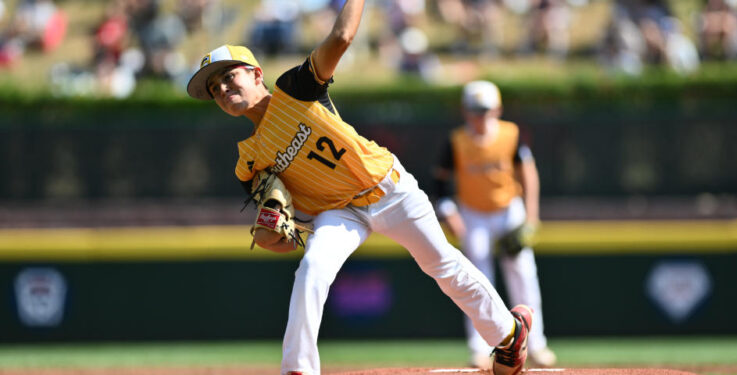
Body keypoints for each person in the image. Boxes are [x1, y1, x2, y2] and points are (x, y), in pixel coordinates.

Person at [184, 2, 532, 375]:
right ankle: (297, 369)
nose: (221, 88)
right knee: (312, 268)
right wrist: (273, 234)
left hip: (388, 188)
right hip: (339, 213)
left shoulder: (294, 90)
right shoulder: (248, 161)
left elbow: (343, 36)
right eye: (214, 88)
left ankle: (510, 334)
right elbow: (281, 239)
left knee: (441, 266)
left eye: (228, 76)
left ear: (256, 73)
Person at [433, 80, 557, 369]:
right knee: (475, 279)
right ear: (465, 111)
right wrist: (450, 214)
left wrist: (531, 215)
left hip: (507, 209)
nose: (481, 117)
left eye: (486, 110)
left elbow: (528, 173)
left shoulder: (510, 134)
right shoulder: (456, 141)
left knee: (523, 273)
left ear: (497, 109)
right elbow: (439, 185)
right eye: (475, 111)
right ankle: (481, 347)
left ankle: (536, 344)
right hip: (472, 213)